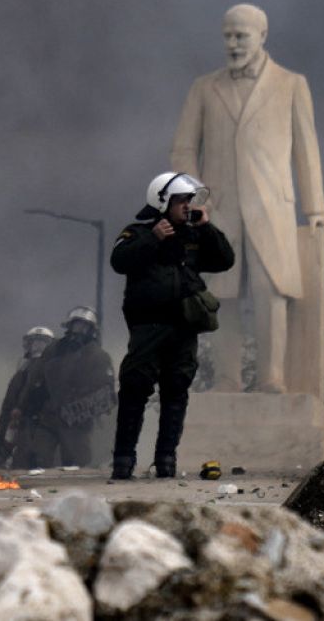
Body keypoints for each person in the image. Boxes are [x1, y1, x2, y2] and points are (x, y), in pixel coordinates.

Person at [171, 3, 324, 393]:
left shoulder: (291, 85)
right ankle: (228, 378)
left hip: (272, 206)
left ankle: (271, 377)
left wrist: (316, 209)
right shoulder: (204, 88)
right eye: (227, 35)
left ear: (262, 36)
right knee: (221, 292)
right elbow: (183, 150)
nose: (232, 42)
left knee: (270, 290)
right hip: (218, 206)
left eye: (240, 35)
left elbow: (306, 152)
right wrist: (195, 196)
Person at [110, 172, 235, 480]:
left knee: (176, 391)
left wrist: (207, 228)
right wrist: (154, 238)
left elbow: (224, 260)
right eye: (181, 200)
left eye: (188, 200)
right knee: (135, 389)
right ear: (162, 201)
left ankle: (166, 459)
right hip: (148, 327)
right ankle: (123, 460)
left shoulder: (193, 235)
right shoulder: (138, 232)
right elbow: (119, 260)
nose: (187, 206)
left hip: (183, 328)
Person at [9, 307, 113, 469]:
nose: (79, 331)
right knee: (38, 458)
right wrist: (20, 407)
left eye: (84, 327)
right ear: (69, 326)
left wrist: (83, 409)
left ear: (91, 330)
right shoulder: (54, 350)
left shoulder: (98, 357)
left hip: (77, 418)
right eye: (76, 326)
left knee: (75, 463)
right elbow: (35, 380)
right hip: (49, 414)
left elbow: (106, 393)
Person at [0, 326, 55, 467]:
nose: (38, 346)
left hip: (43, 426)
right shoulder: (21, 372)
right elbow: (9, 402)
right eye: (35, 342)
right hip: (20, 423)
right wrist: (3, 430)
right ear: (28, 345)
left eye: (43, 342)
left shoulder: (55, 370)